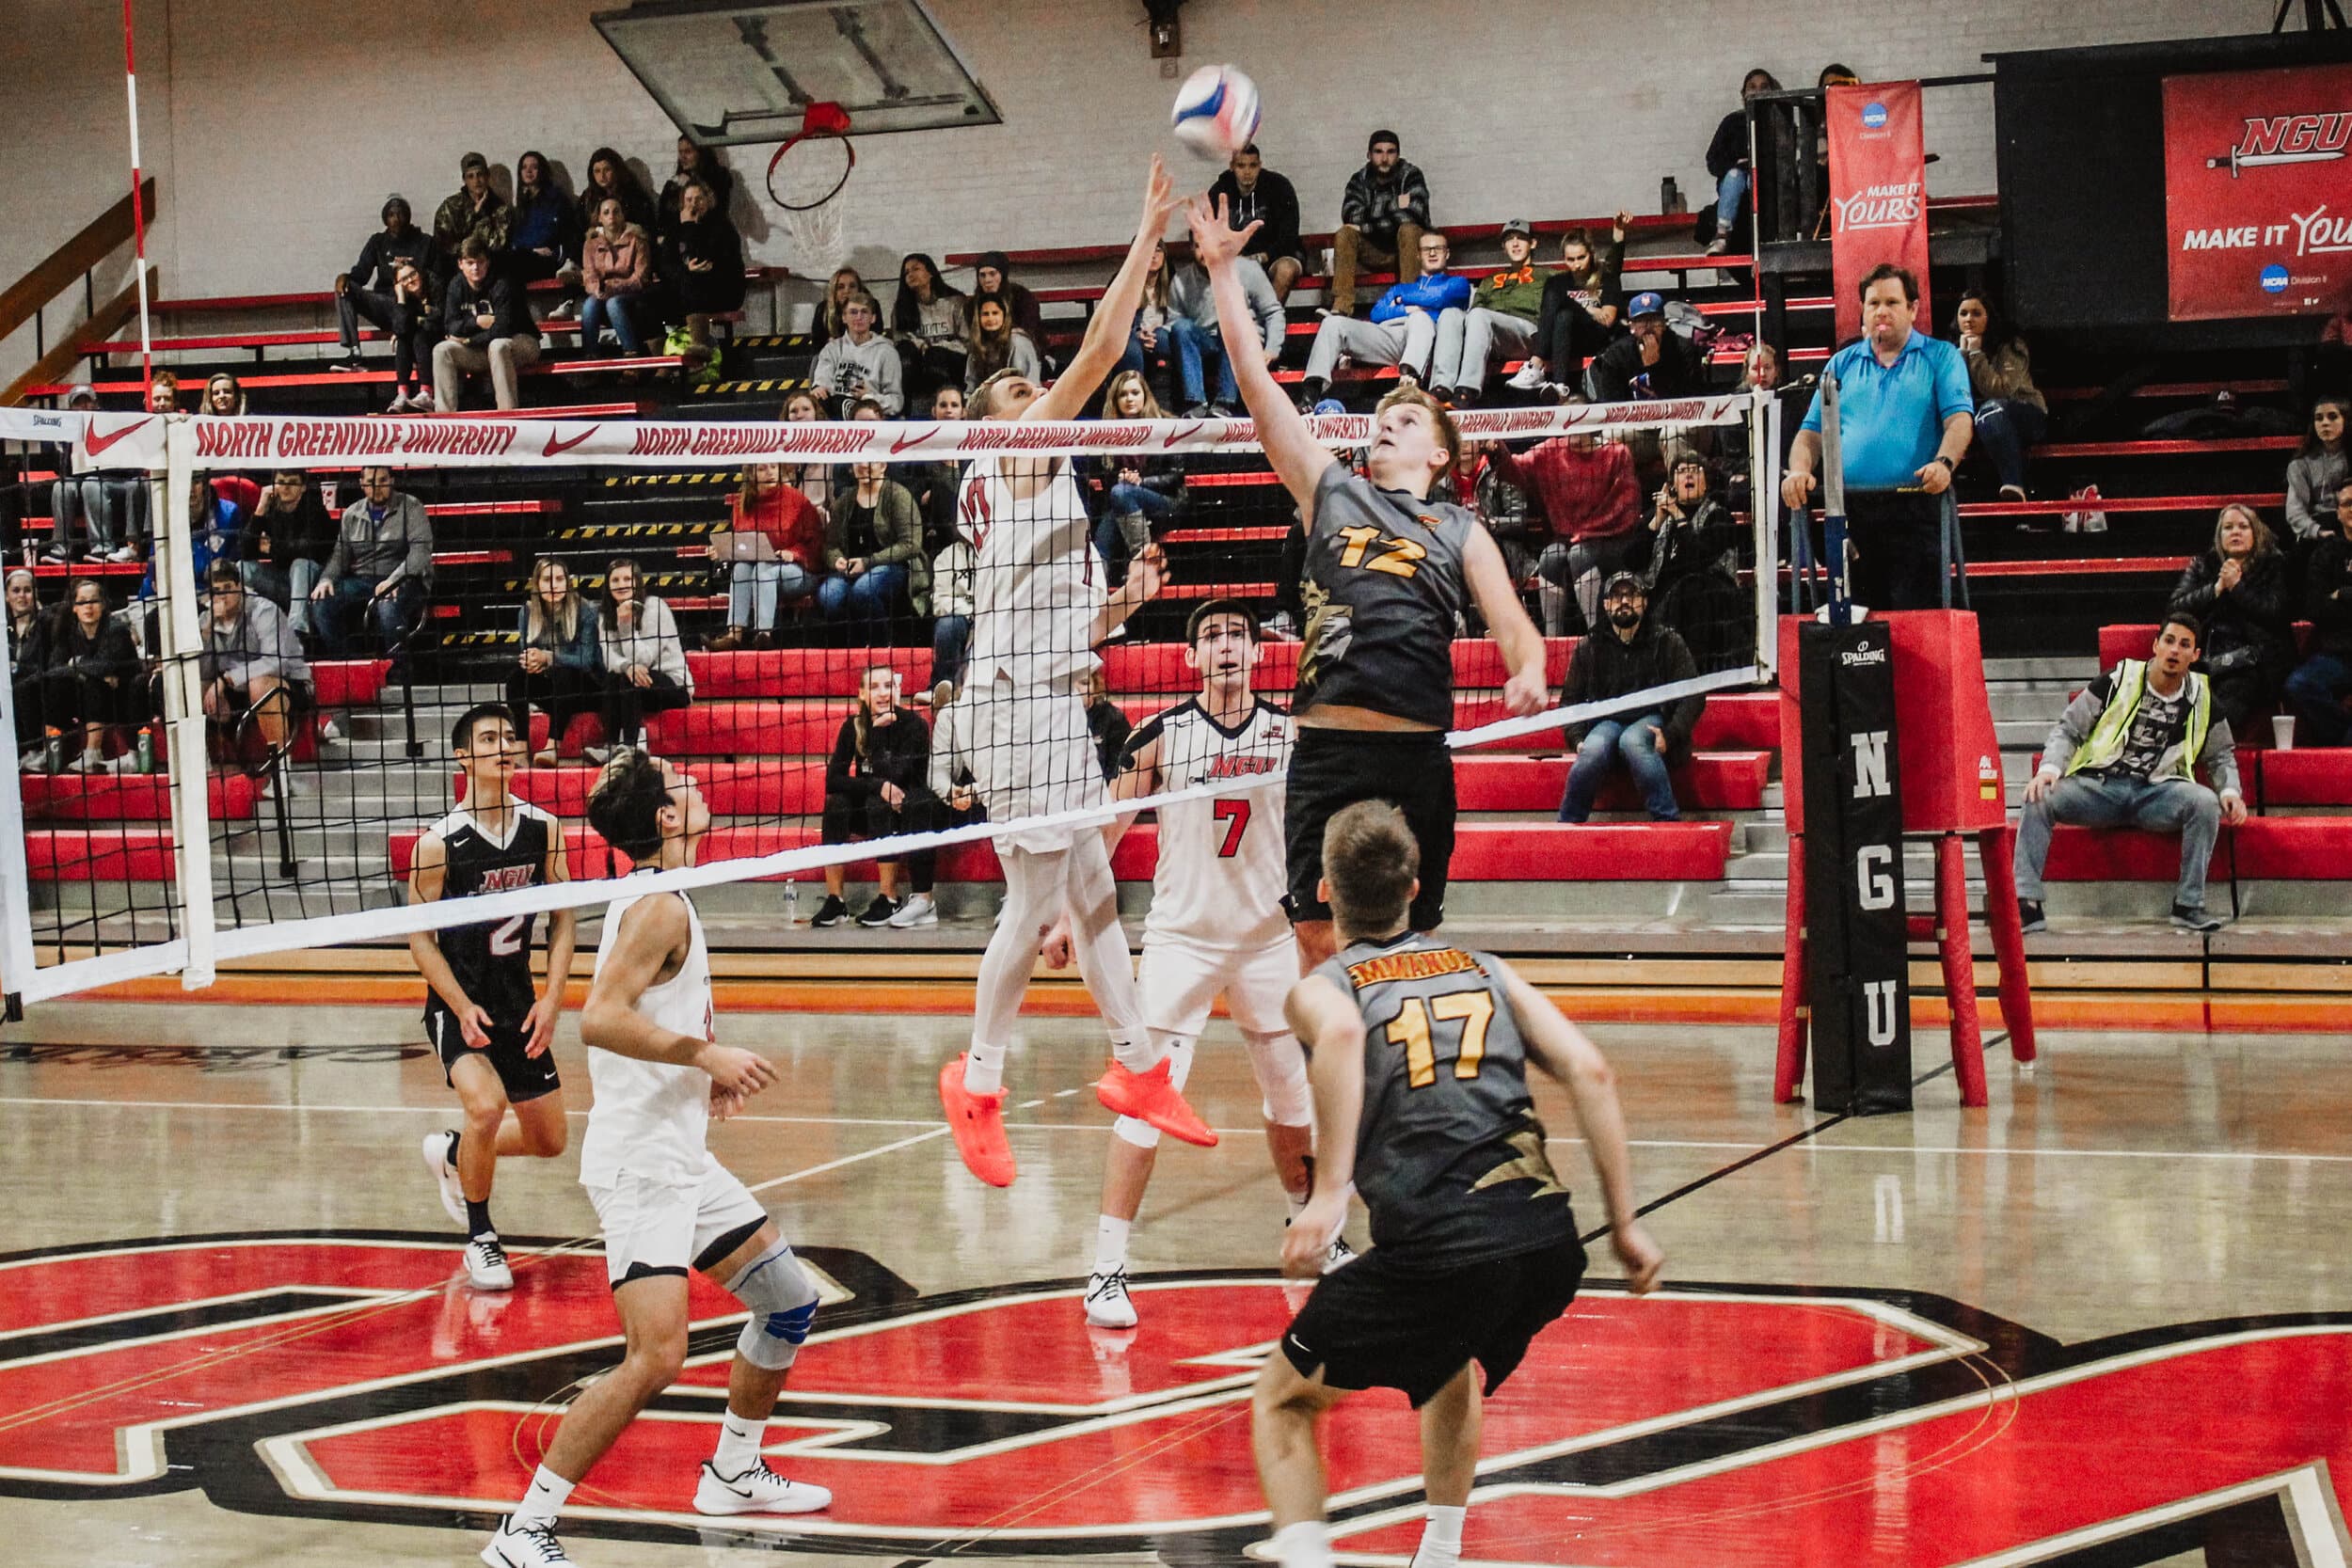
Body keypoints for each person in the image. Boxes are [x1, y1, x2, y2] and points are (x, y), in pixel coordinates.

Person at [1256, 800, 1662, 1568]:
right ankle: (1440, 1554)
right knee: (1447, 1355)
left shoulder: (1321, 987)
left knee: (1282, 1400)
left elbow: (1342, 1033)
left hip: (1445, 1245)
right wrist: (1627, 1226)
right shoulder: (1488, 969)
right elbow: (1591, 1070)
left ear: (1323, 892)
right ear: (1415, 888)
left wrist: (1329, 1192)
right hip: (1547, 1241)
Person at [936, 157, 1212, 1191]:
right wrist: (1145, 235)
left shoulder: (1040, 487)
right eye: (1019, 387)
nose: (1035, 393)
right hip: (1016, 709)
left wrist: (1122, 606)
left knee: (1093, 892)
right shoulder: (1015, 452)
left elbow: (1048, 616)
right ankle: (982, 1075)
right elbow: (1101, 346)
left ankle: (1140, 1065)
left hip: (1041, 692)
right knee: (1038, 899)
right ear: (993, 416)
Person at [481, 752, 829, 1568]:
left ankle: (733, 1472)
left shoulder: (660, 897)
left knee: (786, 1299)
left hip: (677, 1153)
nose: (700, 786)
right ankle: (524, 1528)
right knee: (658, 1355)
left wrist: (693, 1075)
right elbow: (598, 1019)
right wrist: (703, 1057)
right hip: (640, 1164)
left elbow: (640, 1014)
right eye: (684, 784)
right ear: (666, 819)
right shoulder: (660, 906)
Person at [1194, 192, 1550, 972]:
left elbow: (1511, 623)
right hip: (1328, 749)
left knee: (1411, 945)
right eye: (1382, 415)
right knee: (1319, 947)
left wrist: (1531, 666)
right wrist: (1224, 271)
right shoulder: (1331, 489)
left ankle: (1397, 1084)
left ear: (1441, 457)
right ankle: (1334, 1093)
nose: (1386, 421)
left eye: (1410, 418)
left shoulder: (1460, 527)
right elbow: (1256, 383)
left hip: (1416, 754)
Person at [1054, 600, 1338, 1328]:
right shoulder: (1159, 738)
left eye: (1237, 635)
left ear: (1257, 652)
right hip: (1182, 940)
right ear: (1189, 659)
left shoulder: (1292, 734)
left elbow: (1327, 818)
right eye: (1210, 637)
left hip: (1269, 939)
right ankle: (1106, 1269)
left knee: (1291, 1100)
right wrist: (1061, 913)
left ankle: (1309, 1235)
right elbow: (1105, 828)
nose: (1225, 647)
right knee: (1146, 1102)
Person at [405, 702, 576, 1291]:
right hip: (460, 1003)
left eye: (510, 737)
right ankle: (481, 1238)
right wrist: (457, 1005)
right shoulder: (438, 844)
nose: (504, 747)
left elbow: (564, 920)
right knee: (485, 1106)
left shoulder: (544, 829)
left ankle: (456, 1153)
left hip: (519, 999)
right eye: (488, 739)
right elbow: (420, 942)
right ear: (462, 756)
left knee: (549, 1141)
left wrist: (553, 998)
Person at [2014, 615, 2247, 936]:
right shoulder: (2117, 679)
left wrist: (2230, 791)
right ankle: (2026, 903)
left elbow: (2221, 755)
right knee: (2037, 796)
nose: (2174, 651)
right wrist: (2050, 769)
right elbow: (2069, 729)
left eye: (2184, 645)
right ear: (2155, 645)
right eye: (2169, 641)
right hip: (2101, 788)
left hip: (2157, 795)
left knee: (2205, 803)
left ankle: (2189, 904)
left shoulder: (2204, 698)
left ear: (2195, 656)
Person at [1780, 264, 1975, 610]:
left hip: (1915, 507)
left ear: (1913, 308)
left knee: (1913, 615)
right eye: (1873, 303)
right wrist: (1799, 470)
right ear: (1863, 310)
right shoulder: (1840, 364)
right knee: (1856, 625)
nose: (1881, 311)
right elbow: (1810, 434)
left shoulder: (1941, 357)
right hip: (1851, 512)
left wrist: (1944, 463)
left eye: (1892, 302)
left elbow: (1959, 421)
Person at [1555, 573, 1703, 823]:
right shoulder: (1590, 645)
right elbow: (1570, 701)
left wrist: (1671, 734)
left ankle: (1668, 822)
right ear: (1606, 605)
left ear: (1644, 602)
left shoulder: (1667, 641)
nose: (1624, 601)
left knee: (1632, 741)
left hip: (1653, 717)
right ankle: (1567, 825)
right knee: (1592, 750)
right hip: (1606, 721)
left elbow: (1694, 696)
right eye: (1616, 596)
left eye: (1631, 595)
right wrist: (1577, 738)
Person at [811, 664, 944, 930]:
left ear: (898, 690)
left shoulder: (914, 725)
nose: (883, 693)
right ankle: (836, 900)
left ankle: (889, 897)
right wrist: (877, 785)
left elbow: (900, 774)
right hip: (874, 809)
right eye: (874, 687)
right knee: (836, 803)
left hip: (907, 813)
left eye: (889, 686)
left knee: (877, 801)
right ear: (862, 694)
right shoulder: (854, 726)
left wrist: (881, 733)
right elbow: (833, 780)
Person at [1483, 420, 1642, 636]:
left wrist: (1588, 533)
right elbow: (1516, 468)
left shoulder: (1617, 453)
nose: (1573, 431)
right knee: (1551, 556)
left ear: (1590, 426)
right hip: (1567, 539)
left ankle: (1597, 637)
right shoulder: (1551, 451)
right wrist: (1498, 449)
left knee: (1579, 555)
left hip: (1610, 538)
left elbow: (1627, 508)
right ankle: (1553, 640)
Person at [1295, 231, 1470, 407]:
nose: (1432, 253)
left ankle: (1411, 377)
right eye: (1427, 249)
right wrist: (1411, 307)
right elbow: (1377, 313)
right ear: (1418, 255)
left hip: (1426, 341)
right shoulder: (1401, 288)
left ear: (1447, 253)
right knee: (1333, 323)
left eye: (1437, 248)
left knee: (1420, 318)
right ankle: (1311, 392)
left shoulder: (1458, 283)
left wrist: (1402, 303)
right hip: (1391, 338)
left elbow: (1438, 297)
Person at [2167, 503, 2296, 740]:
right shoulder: (2203, 565)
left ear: (2256, 533)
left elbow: (2276, 612)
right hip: (2205, 658)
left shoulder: (2275, 565)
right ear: (2220, 536)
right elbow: (2176, 609)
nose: (2235, 532)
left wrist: (2237, 587)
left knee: (2227, 701)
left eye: (2242, 526)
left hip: (2255, 661)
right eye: (2228, 527)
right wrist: (2216, 588)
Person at [198, 562, 310, 777]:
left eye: (228, 587)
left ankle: (281, 771)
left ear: (239, 586)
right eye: (217, 591)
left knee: (259, 685)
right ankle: (202, 765)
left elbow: (276, 662)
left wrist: (228, 679)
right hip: (236, 691)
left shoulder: (263, 610)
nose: (223, 596)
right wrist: (206, 635)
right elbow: (204, 672)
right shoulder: (206, 621)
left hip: (288, 685)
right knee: (190, 687)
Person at [310, 466, 431, 660]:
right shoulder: (351, 514)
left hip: (404, 579)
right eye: (370, 483)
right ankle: (348, 663)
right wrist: (326, 578)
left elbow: (420, 552)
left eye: (382, 481)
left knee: (387, 605)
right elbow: (340, 555)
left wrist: (394, 580)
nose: (376, 487)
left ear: (392, 480)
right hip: (363, 580)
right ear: (361, 484)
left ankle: (399, 667)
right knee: (321, 603)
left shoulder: (412, 507)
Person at [1643, 452, 1751, 672]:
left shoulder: (1720, 517)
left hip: (1711, 603)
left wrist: (1679, 516)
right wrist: (1657, 520)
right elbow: (1631, 559)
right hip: (1665, 601)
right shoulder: (1660, 517)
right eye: (1682, 471)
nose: (1688, 475)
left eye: (1695, 470)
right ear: (1672, 484)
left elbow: (1696, 560)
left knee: (1691, 587)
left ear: (1706, 484)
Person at [707, 463, 821, 654]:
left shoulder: (797, 500)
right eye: (762, 469)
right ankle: (734, 636)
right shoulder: (742, 504)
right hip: (759, 571)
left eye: (773, 468)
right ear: (752, 474)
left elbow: (816, 544)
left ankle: (764, 635)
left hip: (799, 572)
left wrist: (793, 553)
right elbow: (744, 544)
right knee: (741, 568)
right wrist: (724, 550)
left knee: (763, 570)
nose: (769, 473)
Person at [1510, 223, 1629, 396]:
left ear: (1591, 254)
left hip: (1596, 338)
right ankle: (1559, 385)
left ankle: (1536, 363)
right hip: (1564, 339)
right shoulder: (1558, 282)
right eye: (1570, 260)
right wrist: (1590, 309)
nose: (1576, 265)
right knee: (1563, 313)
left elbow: (1607, 319)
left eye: (1581, 258)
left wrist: (1583, 309)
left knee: (1561, 307)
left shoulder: (1606, 279)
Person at [35, 578, 141, 772]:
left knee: (95, 682)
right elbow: (53, 668)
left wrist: (77, 665)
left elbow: (105, 665)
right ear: (74, 607)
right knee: (57, 684)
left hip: (121, 700)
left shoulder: (116, 629)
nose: (88, 607)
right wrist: (82, 669)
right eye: (82, 602)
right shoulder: (68, 632)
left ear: (103, 605)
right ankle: (50, 751)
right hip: (84, 701)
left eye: (93, 601)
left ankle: (93, 753)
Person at [508, 557, 603, 767]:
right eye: (548, 580)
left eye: (560, 579)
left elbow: (587, 661)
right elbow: (526, 651)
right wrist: (531, 661)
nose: (554, 585)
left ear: (567, 583)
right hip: (554, 690)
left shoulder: (585, 610)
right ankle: (520, 749)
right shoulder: (527, 612)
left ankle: (552, 746)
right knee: (516, 678)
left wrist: (550, 658)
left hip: (587, 689)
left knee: (563, 673)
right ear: (537, 583)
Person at [1953, 289, 2045, 504]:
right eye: (1963, 313)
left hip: (2024, 413)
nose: (1969, 320)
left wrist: (1976, 355)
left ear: (1989, 317)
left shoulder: (2012, 347)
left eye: (1976, 313)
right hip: (1980, 419)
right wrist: (1959, 359)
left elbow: (2001, 390)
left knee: (1991, 410)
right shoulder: (1953, 351)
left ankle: (2014, 484)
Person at [1439, 220, 1545, 406]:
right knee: (1451, 314)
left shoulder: (1548, 275)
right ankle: (1442, 388)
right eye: (1509, 240)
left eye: (1521, 238)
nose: (1515, 244)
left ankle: (1467, 390)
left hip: (1526, 332)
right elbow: (1473, 314)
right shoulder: (1491, 280)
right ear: (1503, 247)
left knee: (1480, 315)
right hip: (1493, 334)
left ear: (1533, 243)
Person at [1167, 251, 1285, 418]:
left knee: (1228, 322)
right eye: (1197, 246)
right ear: (1192, 248)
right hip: (1206, 341)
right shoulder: (1182, 279)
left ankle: (1225, 402)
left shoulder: (1247, 269)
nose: (1203, 251)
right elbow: (1173, 321)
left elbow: (1273, 312)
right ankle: (1195, 403)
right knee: (1182, 327)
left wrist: (1272, 348)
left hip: (1244, 339)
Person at [1090, 370, 1186, 574]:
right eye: (1123, 394)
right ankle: (1096, 595)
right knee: (1100, 547)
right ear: (1115, 400)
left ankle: (1144, 563)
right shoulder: (1107, 433)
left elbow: (1176, 476)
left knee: (1121, 493)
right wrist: (1120, 477)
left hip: (1165, 502)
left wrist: (1141, 482)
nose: (1129, 399)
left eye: (1135, 392)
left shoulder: (1167, 425)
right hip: (1123, 502)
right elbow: (1106, 482)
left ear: (1145, 395)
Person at [434, 238, 543, 413]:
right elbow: (450, 326)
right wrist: (476, 321)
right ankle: (445, 419)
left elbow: (502, 330)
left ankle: (508, 417)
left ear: (488, 262)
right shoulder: (456, 285)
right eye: (470, 263)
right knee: (442, 350)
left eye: (480, 262)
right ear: (461, 264)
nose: (475, 268)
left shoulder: (503, 283)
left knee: (498, 345)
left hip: (521, 342)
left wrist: (468, 340)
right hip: (482, 348)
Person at [1329, 130, 1431, 319]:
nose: (1384, 158)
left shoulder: (1412, 175)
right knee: (1345, 233)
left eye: (1390, 152)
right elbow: (1350, 214)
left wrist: (1367, 225)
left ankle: (1408, 303)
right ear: (1369, 155)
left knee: (1409, 230)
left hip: (1408, 252)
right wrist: (1395, 207)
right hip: (1374, 251)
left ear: (1398, 155)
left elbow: (1414, 213)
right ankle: (1341, 307)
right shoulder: (1358, 180)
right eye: (1378, 152)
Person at [330, 195, 436, 376]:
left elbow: (434, 278)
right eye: (392, 214)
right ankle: (355, 355)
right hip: (384, 304)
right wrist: (344, 277)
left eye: (401, 213)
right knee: (345, 288)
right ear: (385, 219)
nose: (396, 218)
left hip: (412, 306)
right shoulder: (378, 242)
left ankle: (417, 355)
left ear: (408, 216)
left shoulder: (424, 242)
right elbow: (360, 275)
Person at [596, 558, 691, 757]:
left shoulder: (655, 607)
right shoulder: (606, 614)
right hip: (635, 684)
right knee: (614, 677)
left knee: (627, 678)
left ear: (637, 582)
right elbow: (608, 656)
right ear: (608, 585)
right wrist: (626, 666)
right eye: (615, 580)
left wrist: (625, 626)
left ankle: (631, 748)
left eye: (627, 579)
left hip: (673, 685)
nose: (621, 584)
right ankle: (611, 746)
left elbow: (645, 659)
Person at [44, 386, 144, 564]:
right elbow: (60, 470)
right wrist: (65, 446)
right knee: (61, 486)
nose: (83, 406)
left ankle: (102, 549)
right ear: (71, 408)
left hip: (114, 482)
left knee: (92, 484)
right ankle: (61, 550)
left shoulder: (110, 423)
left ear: (96, 404)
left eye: (87, 401)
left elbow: (128, 466)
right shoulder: (65, 430)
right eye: (78, 403)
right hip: (79, 481)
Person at [2285, 478, 2352, 746]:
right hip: (2336, 655)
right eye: (2347, 504)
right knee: (2298, 684)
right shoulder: (2325, 554)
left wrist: (2343, 594)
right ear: (2338, 512)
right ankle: (2342, 735)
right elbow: (2315, 608)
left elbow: (2329, 605)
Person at [818, 461, 925, 627]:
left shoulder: (898, 495)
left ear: (883, 466)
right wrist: (836, 559)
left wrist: (868, 562)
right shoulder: (845, 501)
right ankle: (850, 647)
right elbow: (830, 546)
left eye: (871, 461)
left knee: (863, 590)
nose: (863, 465)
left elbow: (911, 544)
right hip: (850, 570)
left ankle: (880, 646)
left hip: (893, 567)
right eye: (858, 461)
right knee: (828, 595)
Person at [238, 470, 335, 635]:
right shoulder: (270, 509)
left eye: (292, 482)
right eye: (281, 482)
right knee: (242, 568)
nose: (285, 488)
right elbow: (245, 552)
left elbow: (307, 550)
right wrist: (261, 508)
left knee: (300, 563)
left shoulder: (314, 509)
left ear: (303, 487)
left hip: (313, 583)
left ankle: (297, 631)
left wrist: (272, 548)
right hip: (282, 583)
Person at [1208, 144, 1304, 301]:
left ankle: (1270, 320)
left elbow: (1289, 234)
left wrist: (1264, 256)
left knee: (1286, 270)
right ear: (1232, 166)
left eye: (1252, 165)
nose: (1247, 172)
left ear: (1260, 165)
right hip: (1235, 260)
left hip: (1275, 257)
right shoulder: (1219, 191)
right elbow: (1206, 231)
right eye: (1241, 166)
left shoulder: (1279, 187)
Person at [663, 181, 746, 359]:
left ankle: (698, 344)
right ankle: (661, 362)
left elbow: (703, 260)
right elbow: (666, 264)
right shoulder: (675, 228)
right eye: (689, 199)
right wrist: (684, 271)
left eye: (699, 199)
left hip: (721, 287)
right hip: (685, 288)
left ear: (708, 201)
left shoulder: (721, 227)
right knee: (649, 298)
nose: (693, 204)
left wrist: (690, 227)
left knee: (694, 280)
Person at [1705, 70, 1781, 256]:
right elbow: (1712, 161)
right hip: (1735, 185)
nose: (1757, 92)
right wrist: (1736, 163)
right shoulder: (1731, 122)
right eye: (1752, 87)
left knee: (1756, 181)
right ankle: (1722, 235)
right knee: (1735, 176)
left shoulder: (1779, 121)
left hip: (1764, 182)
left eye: (1764, 88)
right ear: (1743, 95)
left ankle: (1770, 237)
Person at [1589, 292, 1708, 404]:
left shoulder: (1683, 349)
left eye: (1654, 321)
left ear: (1664, 324)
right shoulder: (1616, 354)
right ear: (1632, 326)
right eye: (1641, 322)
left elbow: (1690, 397)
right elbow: (1612, 402)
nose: (1648, 328)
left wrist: (1654, 368)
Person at [578, 197, 655, 356]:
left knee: (614, 303)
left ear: (623, 215)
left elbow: (641, 278)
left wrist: (614, 286)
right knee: (589, 306)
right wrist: (597, 289)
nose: (611, 216)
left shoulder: (637, 241)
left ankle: (631, 353)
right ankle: (590, 357)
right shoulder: (591, 244)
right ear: (600, 218)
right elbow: (589, 275)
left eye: (616, 211)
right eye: (606, 212)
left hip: (631, 294)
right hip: (603, 292)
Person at [810, 291, 905, 415]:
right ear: (844, 317)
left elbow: (896, 402)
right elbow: (822, 383)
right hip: (835, 411)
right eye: (853, 312)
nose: (859, 317)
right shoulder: (831, 349)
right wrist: (819, 389)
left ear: (873, 318)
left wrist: (868, 397)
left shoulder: (887, 352)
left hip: (870, 414)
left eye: (864, 312)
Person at [888, 252, 968, 398]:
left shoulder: (955, 302)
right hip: (917, 365)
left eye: (916, 269)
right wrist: (919, 346)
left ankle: (944, 403)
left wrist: (934, 347)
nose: (910, 274)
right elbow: (900, 344)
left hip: (952, 361)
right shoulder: (901, 309)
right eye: (906, 273)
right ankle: (906, 410)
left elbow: (967, 343)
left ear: (930, 272)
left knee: (935, 356)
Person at [506, 150, 581, 293]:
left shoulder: (555, 199)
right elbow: (516, 240)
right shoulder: (523, 205)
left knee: (512, 270)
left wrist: (535, 250)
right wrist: (531, 250)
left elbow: (554, 233)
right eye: (524, 167)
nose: (528, 171)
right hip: (526, 256)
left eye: (534, 167)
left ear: (542, 171)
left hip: (548, 260)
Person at [430, 152, 510, 279]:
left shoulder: (500, 208)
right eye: (471, 176)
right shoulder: (450, 206)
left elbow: (498, 246)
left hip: (489, 270)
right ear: (464, 180)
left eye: (480, 175)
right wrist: (474, 215)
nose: (476, 181)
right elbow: (443, 245)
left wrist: (481, 216)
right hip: (456, 270)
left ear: (487, 176)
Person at [1111, 241, 1176, 393]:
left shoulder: (1173, 281)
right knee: (1131, 347)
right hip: (1132, 337)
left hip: (1161, 336)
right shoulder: (1121, 281)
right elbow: (1114, 323)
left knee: (1163, 338)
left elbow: (1181, 317)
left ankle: (1161, 400)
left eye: (1158, 250)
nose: (1153, 256)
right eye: (1148, 250)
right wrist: (1137, 334)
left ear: (1164, 255)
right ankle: (1133, 396)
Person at [2287, 398, 2347, 542]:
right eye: (2319, 418)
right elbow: (2295, 510)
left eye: (2332, 417)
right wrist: (2317, 531)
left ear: (2346, 420)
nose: (2325, 423)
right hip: (2318, 528)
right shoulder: (2300, 465)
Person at [962, 251, 1047, 350]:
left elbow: (1029, 333)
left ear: (1002, 275)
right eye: (982, 275)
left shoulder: (1022, 297)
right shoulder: (972, 305)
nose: (987, 280)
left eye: (992, 274)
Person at [962, 295, 1041, 392]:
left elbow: (1024, 383)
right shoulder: (978, 345)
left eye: (995, 313)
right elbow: (971, 387)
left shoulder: (1018, 341)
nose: (990, 318)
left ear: (1004, 316)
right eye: (985, 314)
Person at [658, 135, 733, 235]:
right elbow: (663, 218)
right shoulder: (673, 184)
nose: (682, 157)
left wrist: (691, 183)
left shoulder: (719, 177)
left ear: (700, 153)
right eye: (680, 152)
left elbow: (718, 209)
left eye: (688, 152)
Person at [580, 147, 658, 242]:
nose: (602, 176)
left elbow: (647, 230)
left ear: (616, 170)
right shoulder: (588, 197)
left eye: (607, 170)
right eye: (597, 171)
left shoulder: (633, 196)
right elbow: (578, 230)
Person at [811, 266, 868, 347]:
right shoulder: (823, 309)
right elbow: (817, 343)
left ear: (859, 289)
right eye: (841, 287)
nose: (847, 291)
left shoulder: (871, 306)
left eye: (852, 286)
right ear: (834, 291)